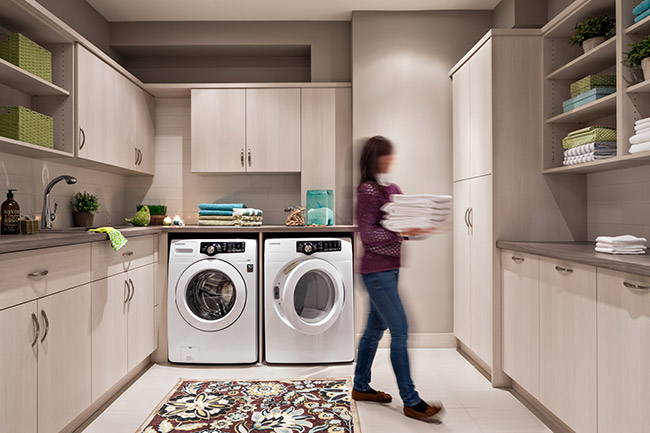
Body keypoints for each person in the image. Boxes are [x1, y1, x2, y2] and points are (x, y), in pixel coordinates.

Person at [351, 135, 444, 420]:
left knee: (374, 331)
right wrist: (401, 233)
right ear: (374, 158)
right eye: (386, 155)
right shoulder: (367, 191)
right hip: (376, 272)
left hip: (388, 270)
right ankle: (411, 401)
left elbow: (399, 225)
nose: (392, 159)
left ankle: (360, 386)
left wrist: (415, 228)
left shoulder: (391, 188)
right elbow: (369, 235)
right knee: (401, 329)